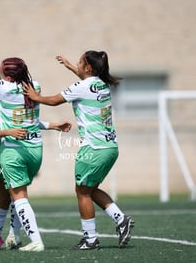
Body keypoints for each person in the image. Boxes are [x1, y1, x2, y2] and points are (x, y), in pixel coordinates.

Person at [22, 51, 134, 250]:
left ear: (88, 67)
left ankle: (90, 239)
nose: (77, 63)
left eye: (79, 61)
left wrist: (35, 97)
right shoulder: (101, 84)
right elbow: (86, 82)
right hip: (110, 147)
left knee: (82, 192)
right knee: (90, 189)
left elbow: (55, 100)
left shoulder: (82, 87)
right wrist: (70, 67)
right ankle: (121, 220)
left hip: (93, 148)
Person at [0, 57, 71, 252]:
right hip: (35, 150)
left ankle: (36, 240)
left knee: (19, 196)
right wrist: (53, 125)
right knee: (17, 194)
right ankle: (14, 235)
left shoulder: (0, 88)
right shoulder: (34, 86)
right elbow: (29, 119)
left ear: (6, 73)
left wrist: (1, 81)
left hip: (14, 150)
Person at [0, 95, 71, 251]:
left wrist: (53, 125)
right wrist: (8, 132)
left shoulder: (15, 100)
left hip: (3, 151)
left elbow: (30, 123)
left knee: (6, 195)